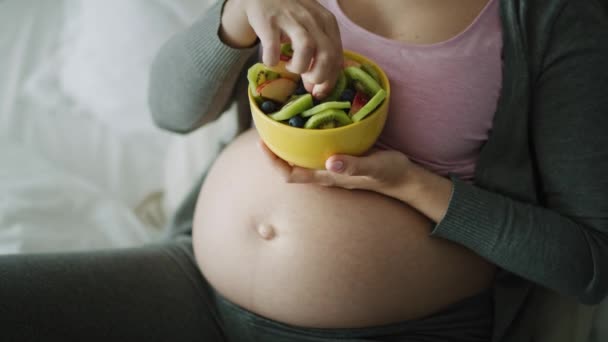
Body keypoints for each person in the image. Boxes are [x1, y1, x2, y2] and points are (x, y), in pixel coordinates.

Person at [1, 0, 607, 341]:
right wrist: (234, 15)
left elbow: (589, 263)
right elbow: (169, 113)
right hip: (192, 285)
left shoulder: (553, 19)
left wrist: (411, 184)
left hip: (394, 329)